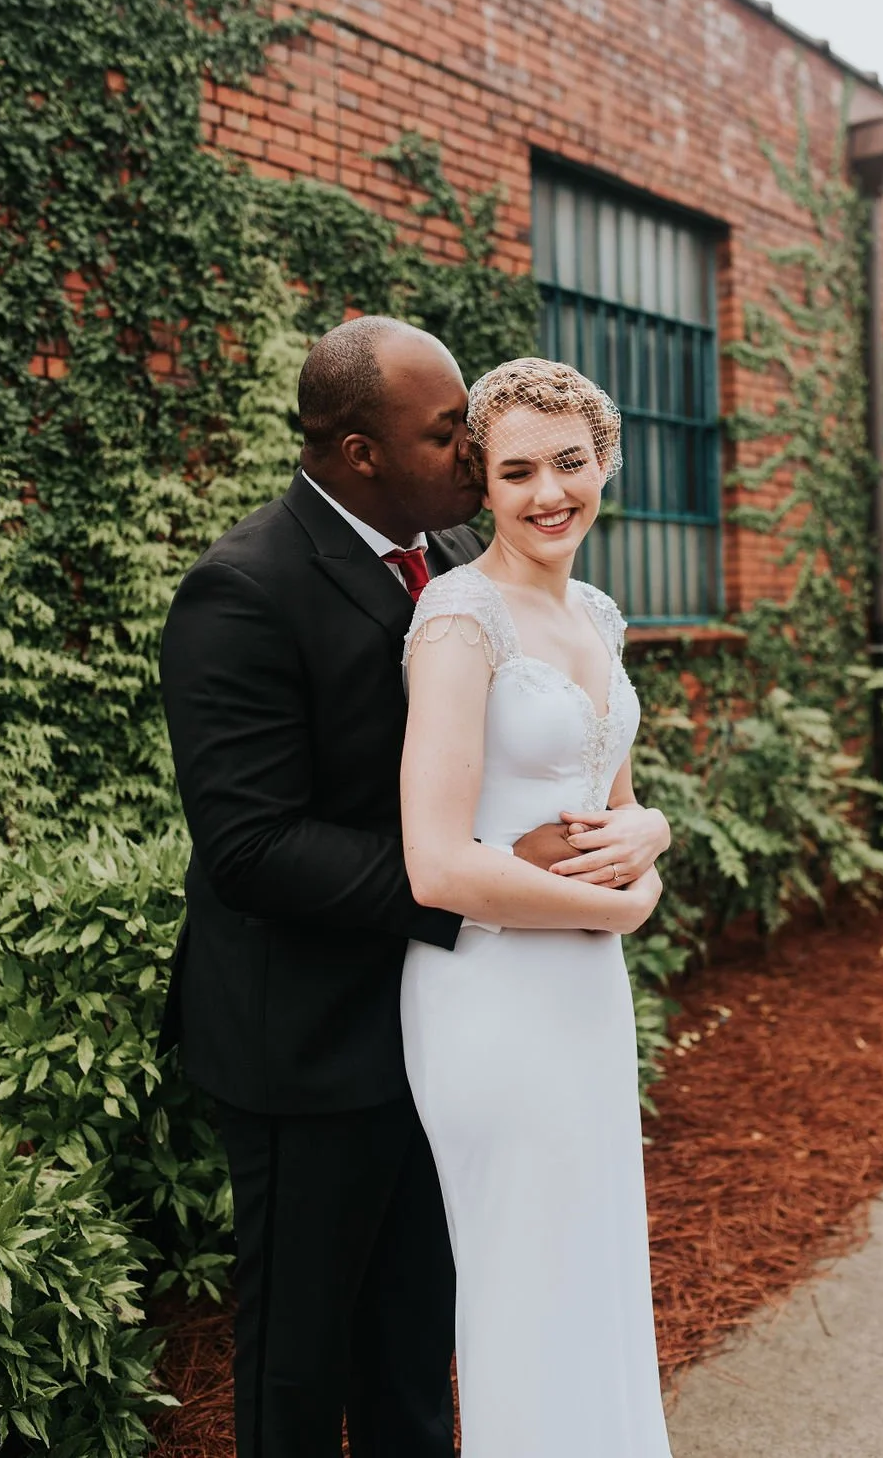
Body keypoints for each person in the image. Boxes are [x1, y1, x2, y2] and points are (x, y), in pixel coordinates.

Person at [157, 318, 669, 1458]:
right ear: (358, 454)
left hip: (440, 1017)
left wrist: (637, 829)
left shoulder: (455, 567)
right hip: (302, 1034)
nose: (475, 453)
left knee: (413, 1349)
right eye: (450, 435)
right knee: (297, 1361)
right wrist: (495, 882)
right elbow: (249, 845)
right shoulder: (242, 587)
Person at [400, 357, 674, 1458]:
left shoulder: (599, 614)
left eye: (568, 462)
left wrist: (648, 847)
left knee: (597, 1265)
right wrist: (613, 912)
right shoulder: (458, 618)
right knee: (523, 1283)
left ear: (605, 460)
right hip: (490, 994)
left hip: (584, 995)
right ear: (484, 482)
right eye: (516, 471)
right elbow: (435, 863)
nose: (546, 491)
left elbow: (610, 810)